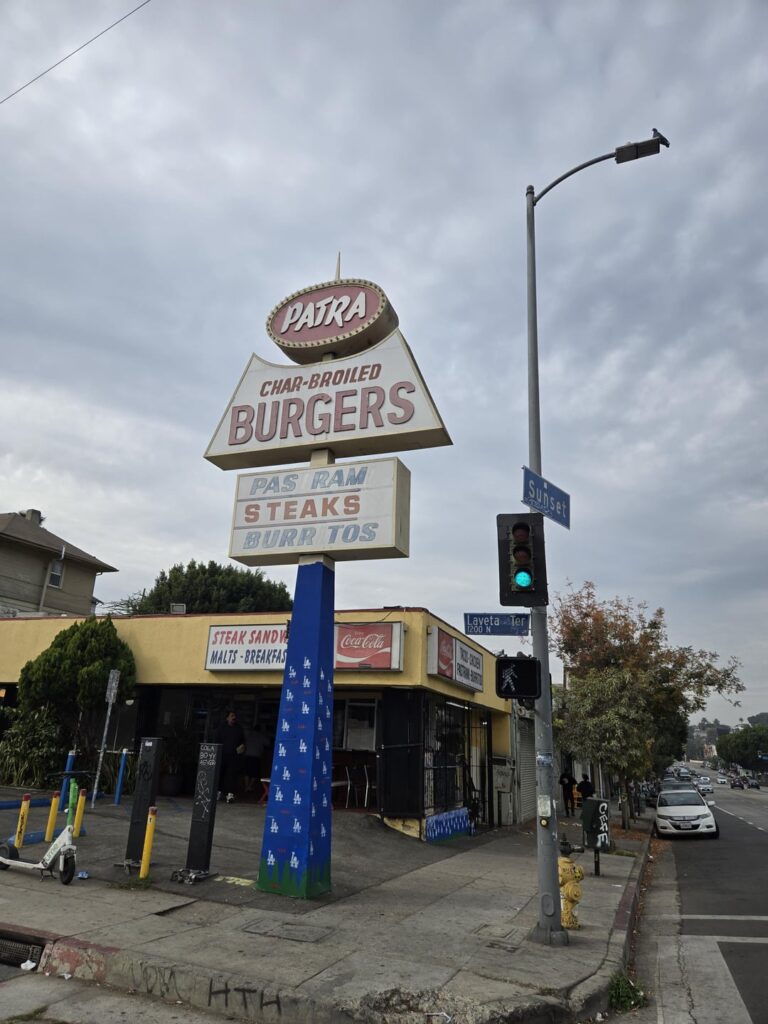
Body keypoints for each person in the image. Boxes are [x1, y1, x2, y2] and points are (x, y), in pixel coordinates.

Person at [216, 710, 245, 803]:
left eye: (234, 716)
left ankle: (230, 794)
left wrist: (242, 747)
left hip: (234, 756)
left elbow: (243, 741)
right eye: (232, 716)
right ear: (227, 718)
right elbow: (216, 740)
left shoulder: (239, 729)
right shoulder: (221, 728)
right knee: (220, 773)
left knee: (232, 775)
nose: (234, 718)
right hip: (222, 755)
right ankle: (218, 792)